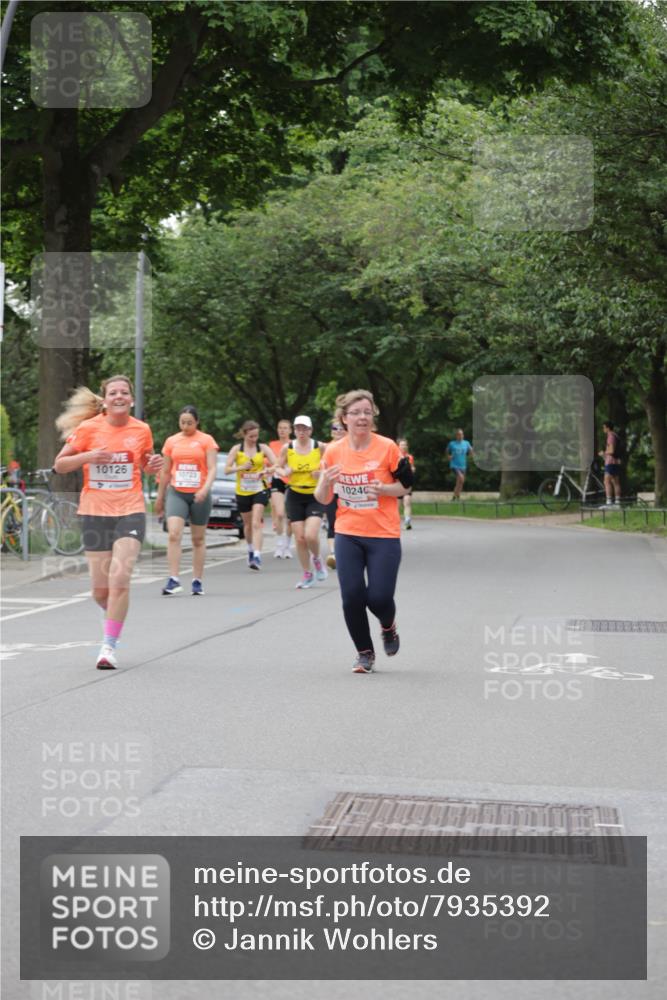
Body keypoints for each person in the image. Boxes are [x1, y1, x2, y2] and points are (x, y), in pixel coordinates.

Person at [53, 374, 162, 670]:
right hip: (94, 512)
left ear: (132, 399)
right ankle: (111, 613)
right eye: (113, 392)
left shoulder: (142, 430)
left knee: (120, 580)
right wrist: (89, 456)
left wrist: (153, 464)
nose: (119, 396)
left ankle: (108, 647)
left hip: (130, 509)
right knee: (101, 591)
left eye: (124, 392)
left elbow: (145, 465)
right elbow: (60, 464)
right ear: (105, 399)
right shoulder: (88, 429)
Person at [315, 390, 413, 674]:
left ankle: (388, 626)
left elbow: (406, 486)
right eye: (356, 413)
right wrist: (324, 483)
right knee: (352, 597)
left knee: (379, 598)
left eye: (367, 412)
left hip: (383, 533)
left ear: (373, 417)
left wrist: (384, 489)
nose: (362, 417)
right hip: (348, 532)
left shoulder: (388, 448)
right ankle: (364, 653)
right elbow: (323, 498)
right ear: (344, 419)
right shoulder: (334, 451)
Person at [155, 406, 219, 596]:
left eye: (189, 423)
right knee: (174, 534)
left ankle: (197, 580)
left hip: (200, 494)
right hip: (177, 492)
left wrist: (204, 489)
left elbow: (212, 468)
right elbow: (166, 472)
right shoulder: (171, 441)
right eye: (182, 422)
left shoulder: (206, 440)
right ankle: (174, 579)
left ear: (197, 422)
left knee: (197, 539)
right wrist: (160, 497)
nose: (185, 426)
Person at [276, 416, 328, 588]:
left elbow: (333, 465)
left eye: (305, 429)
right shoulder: (288, 447)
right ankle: (307, 573)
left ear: (311, 430)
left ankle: (317, 558)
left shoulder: (319, 447)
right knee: (299, 538)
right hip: (295, 495)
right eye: (298, 428)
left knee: (310, 535)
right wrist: (285, 470)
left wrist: (321, 473)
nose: (301, 432)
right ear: (294, 430)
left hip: (315, 495)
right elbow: (278, 467)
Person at [224, 421, 276, 569]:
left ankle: (258, 556)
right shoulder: (237, 449)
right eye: (251, 436)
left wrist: (266, 471)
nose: (254, 439)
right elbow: (226, 469)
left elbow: (277, 464)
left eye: (256, 436)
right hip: (243, 491)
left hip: (260, 488)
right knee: (247, 525)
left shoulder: (263, 448)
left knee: (256, 522)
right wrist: (240, 467)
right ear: (244, 434)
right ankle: (251, 549)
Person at [268, 419, 294, 559]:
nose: (282, 430)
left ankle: (288, 546)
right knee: (279, 513)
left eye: (285, 428)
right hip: (277, 479)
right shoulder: (272, 445)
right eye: (280, 428)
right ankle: (279, 544)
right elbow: (268, 461)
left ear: (290, 430)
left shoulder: (294, 445)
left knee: (290, 517)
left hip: (291, 480)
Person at [324, 412, 346, 568]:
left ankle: (346, 552)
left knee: (345, 522)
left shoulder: (352, 446)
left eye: (340, 428)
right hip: (332, 490)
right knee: (333, 522)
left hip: (349, 490)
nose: (338, 430)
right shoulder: (327, 448)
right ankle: (333, 554)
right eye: (334, 428)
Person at [599, 420, 622, 507]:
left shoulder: (611, 436)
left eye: (604, 428)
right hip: (616, 461)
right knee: (615, 481)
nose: (603, 429)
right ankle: (617, 503)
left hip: (610, 461)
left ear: (608, 428)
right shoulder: (616, 435)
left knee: (606, 481)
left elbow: (611, 450)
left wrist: (603, 453)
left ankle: (609, 502)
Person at [446, 428, 473, 501]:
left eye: (462, 434)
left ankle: (455, 497)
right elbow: (447, 451)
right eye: (459, 434)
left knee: (460, 482)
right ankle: (456, 497)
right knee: (461, 478)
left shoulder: (466, 443)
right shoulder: (452, 443)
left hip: (463, 465)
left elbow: (471, 451)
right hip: (454, 465)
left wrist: (470, 453)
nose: (461, 436)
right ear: (456, 436)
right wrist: (449, 456)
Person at [397, 438, 416, 528]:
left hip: (407, 483)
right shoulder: (395, 456)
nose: (403, 446)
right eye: (402, 445)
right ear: (398, 446)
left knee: (407, 501)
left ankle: (407, 521)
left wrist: (412, 470)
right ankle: (394, 523)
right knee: (397, 505)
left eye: (405, 445)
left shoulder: (410, 457)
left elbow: (412, 468)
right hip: (396, 484)